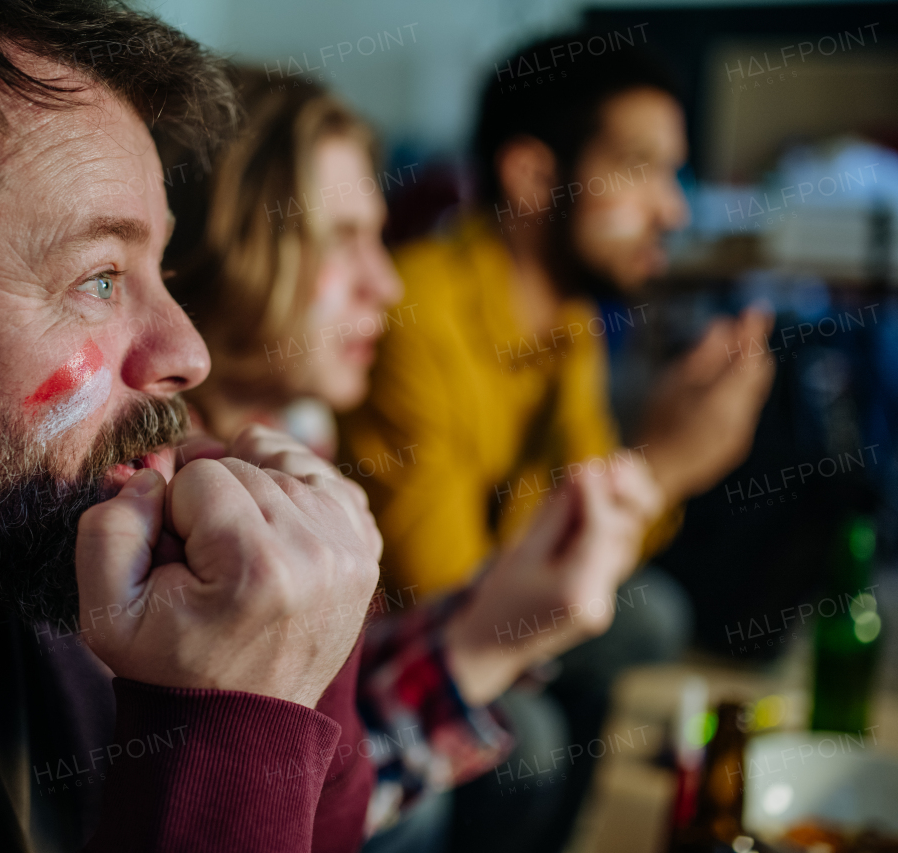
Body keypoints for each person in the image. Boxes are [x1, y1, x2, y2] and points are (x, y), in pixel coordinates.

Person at [0, 6, 659, 853]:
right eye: (100, 277)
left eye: (156, 266)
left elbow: (325, 825)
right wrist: (222, 720)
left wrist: (296, 648)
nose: (185, 349)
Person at [163, 69, 666, 851]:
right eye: (341, 240)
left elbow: (348, 667)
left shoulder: (299, 425)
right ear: (221, 247)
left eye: (379, 235)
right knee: (489, 763)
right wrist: (494, 639)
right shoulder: (172, 493)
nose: (386, 283)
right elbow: (297, 795)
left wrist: (517, 599)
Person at [338, 34, 776, 852]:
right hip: (405, 642)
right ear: (534, 175)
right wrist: (662, 465)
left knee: (650, 614)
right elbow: (445, 591)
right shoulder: (416, 315)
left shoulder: (566, 317)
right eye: (641, 168)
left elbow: (598, 551)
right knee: (528, 738)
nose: (673, 209)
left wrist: (654, 474)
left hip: (494, 602)